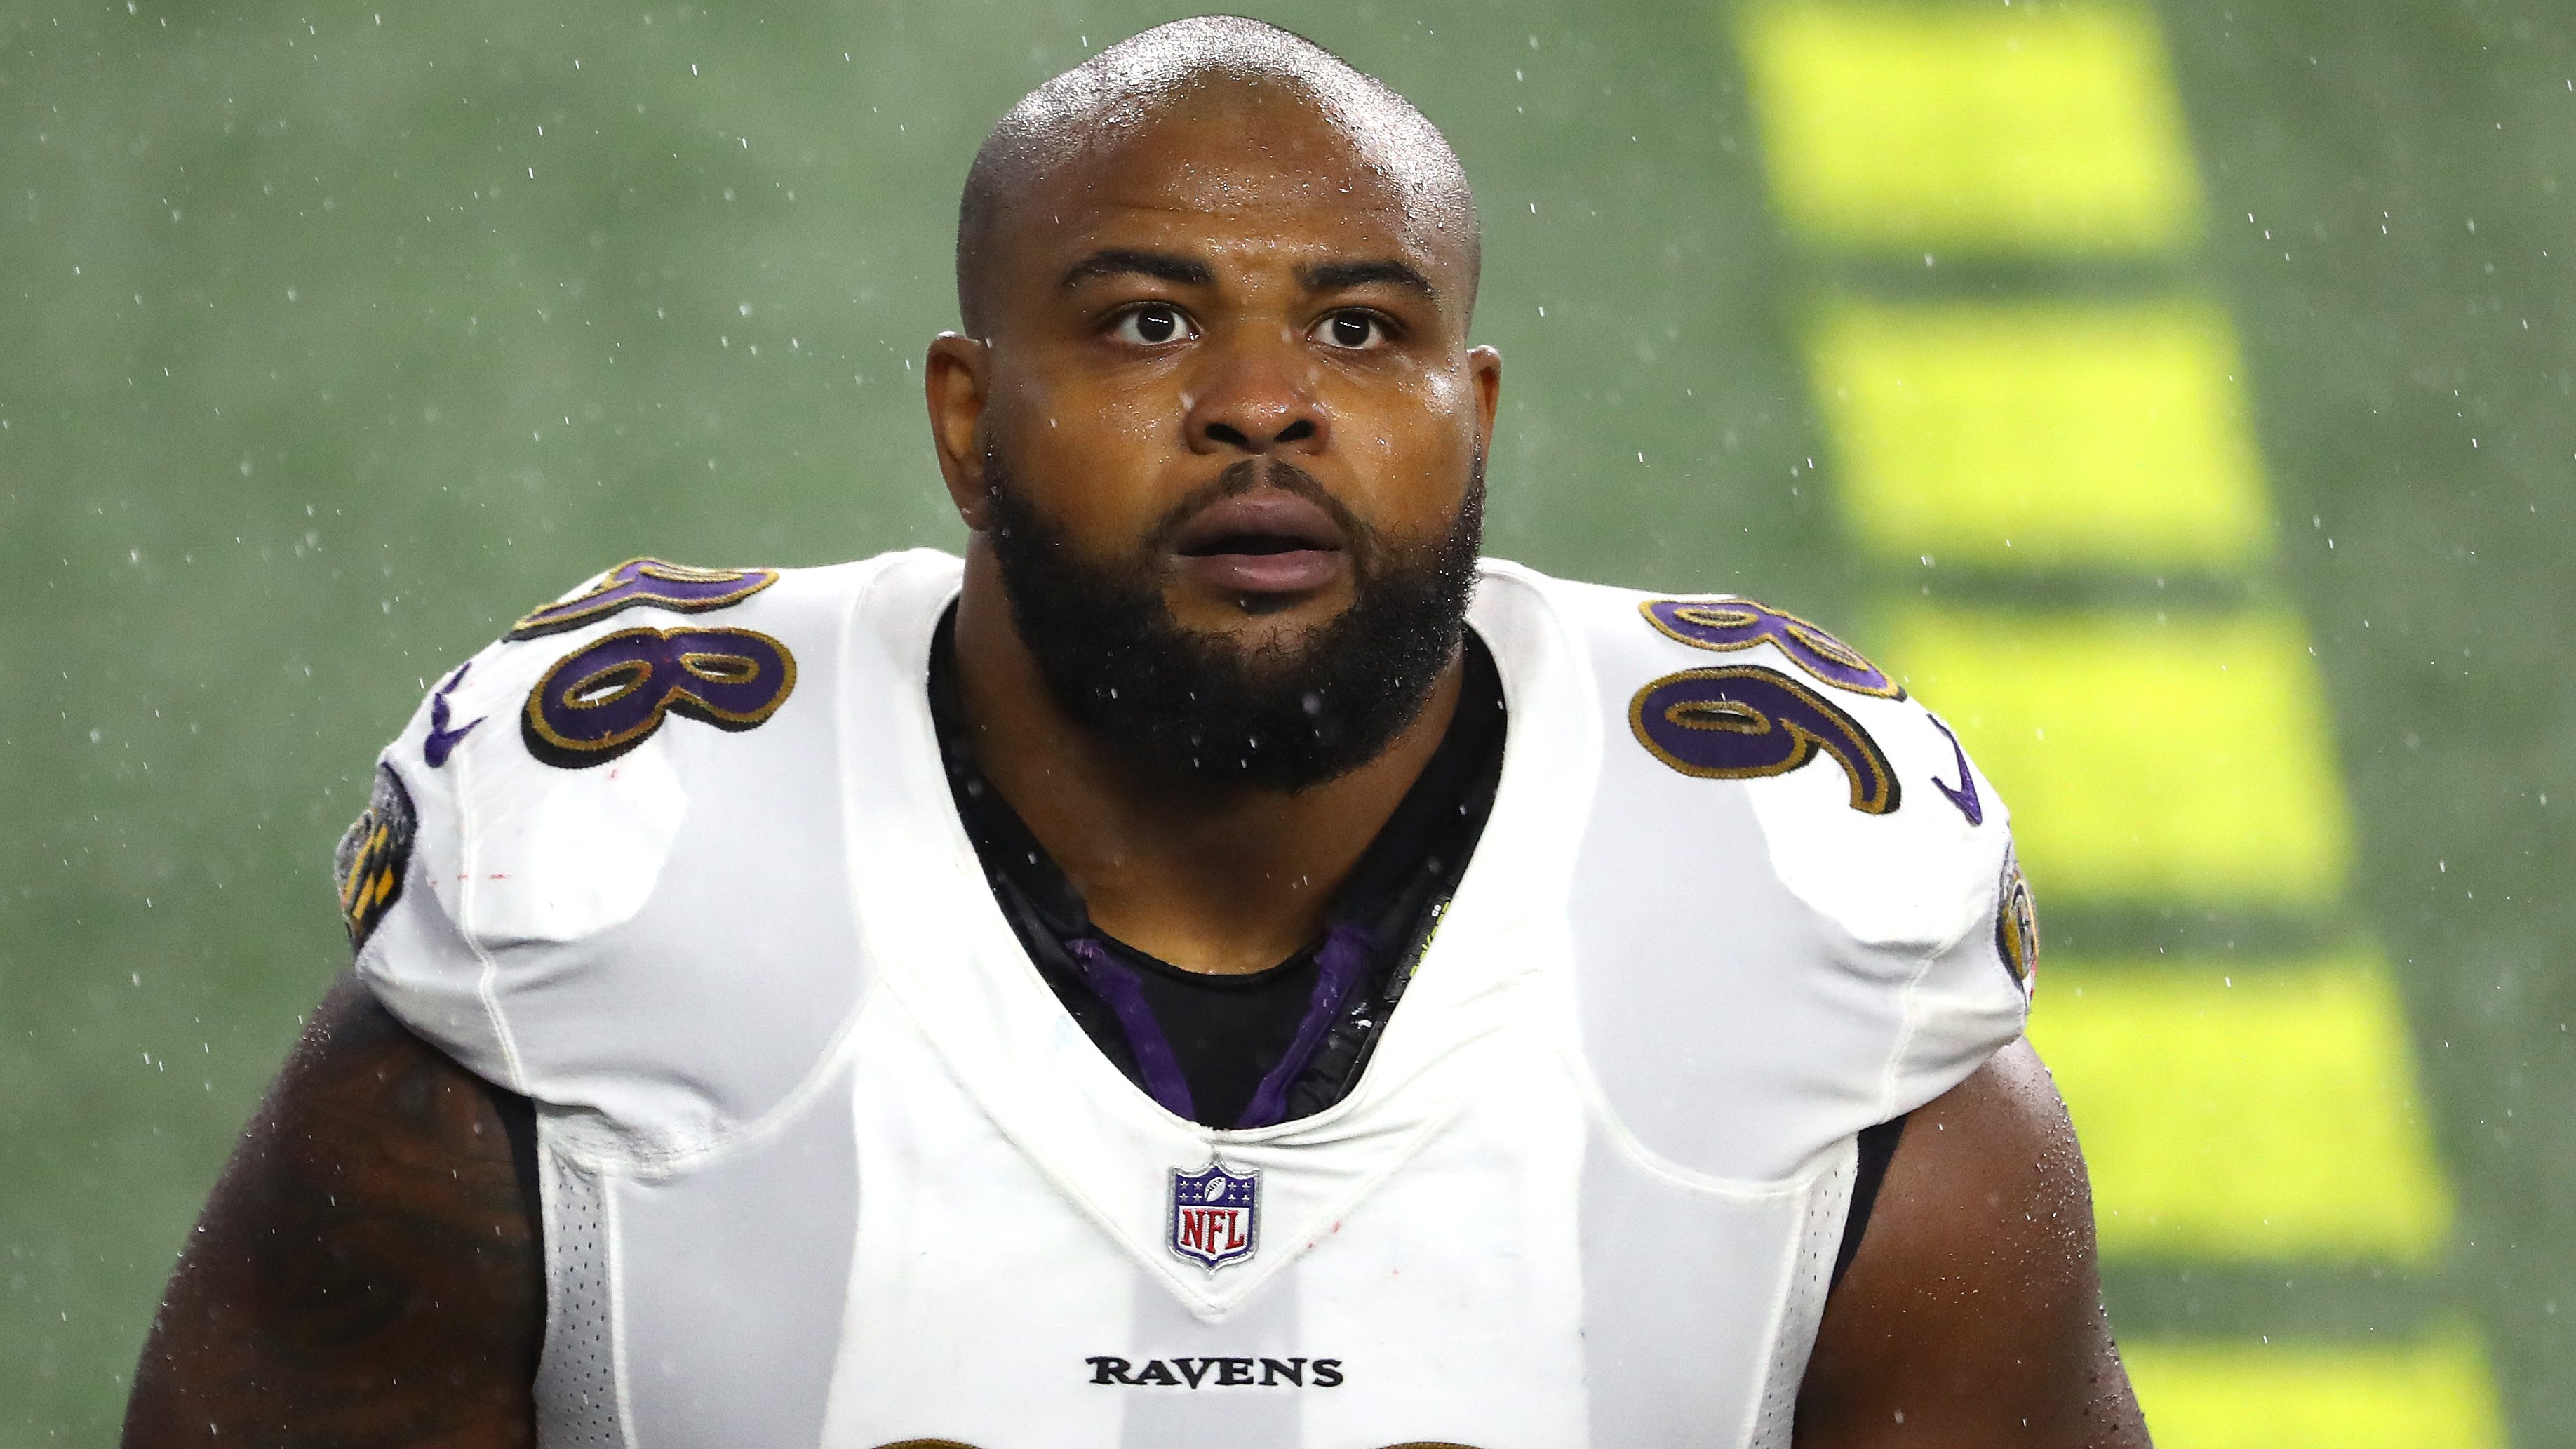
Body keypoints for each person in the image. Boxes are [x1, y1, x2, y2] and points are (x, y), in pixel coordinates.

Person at [125, 17, 2147, 1447]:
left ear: (1478, 413)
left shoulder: (1799, 907)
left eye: (1362, 327)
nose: (1264, 399)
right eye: (1149, 322)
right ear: (963, 414)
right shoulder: (609, 882)